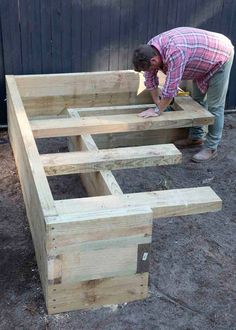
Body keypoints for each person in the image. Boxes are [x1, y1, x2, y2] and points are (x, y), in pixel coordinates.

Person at [132, 27, 234, 162]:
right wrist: (157, 102)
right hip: (200, 59)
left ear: (154, 61)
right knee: (197, 101)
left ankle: (211, 148)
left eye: (151, 68)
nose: (150, 71)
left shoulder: (175, 52)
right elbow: (150, 78)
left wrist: (158, 111)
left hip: (220, 55)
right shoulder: (150, 49)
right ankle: (196, 137)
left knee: (215, 106)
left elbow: (170, 88)